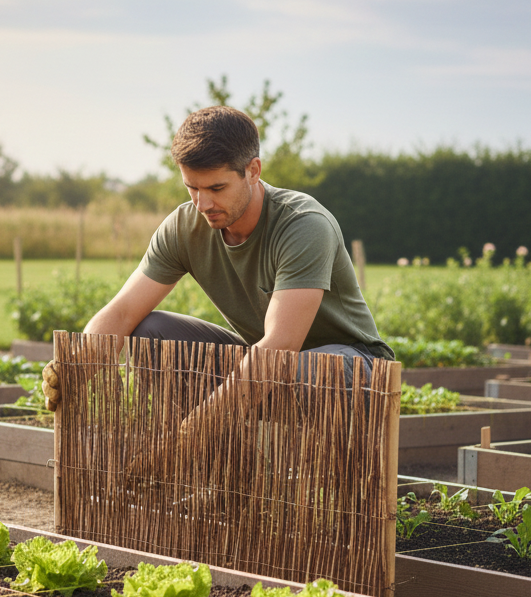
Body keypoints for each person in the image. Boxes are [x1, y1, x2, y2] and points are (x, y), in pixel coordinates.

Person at [43, 105, 392, 411]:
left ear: (253, 170)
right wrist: (73, 366)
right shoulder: (185, 226)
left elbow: (282, 345)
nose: (202, 203)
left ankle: (223, 451)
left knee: (293, 369)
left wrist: (192, 432)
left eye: (216, 188)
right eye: (192, 187)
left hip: (354, 367)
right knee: (150, 331)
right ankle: (220, 472)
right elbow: (121, 312)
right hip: (266, 362)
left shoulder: (302, 225)